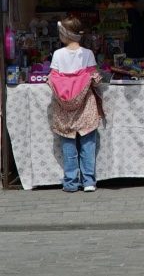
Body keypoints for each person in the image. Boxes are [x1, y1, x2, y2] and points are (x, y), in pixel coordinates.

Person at [47, 17, 103, 192]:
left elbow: (52, 78)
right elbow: (95, 79)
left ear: (63, 34)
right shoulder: (88, 54)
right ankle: (88, 182)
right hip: (85, 105)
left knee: (68, 144)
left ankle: (71, 182)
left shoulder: (57, 54)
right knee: (88, 144)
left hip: (63, 109)